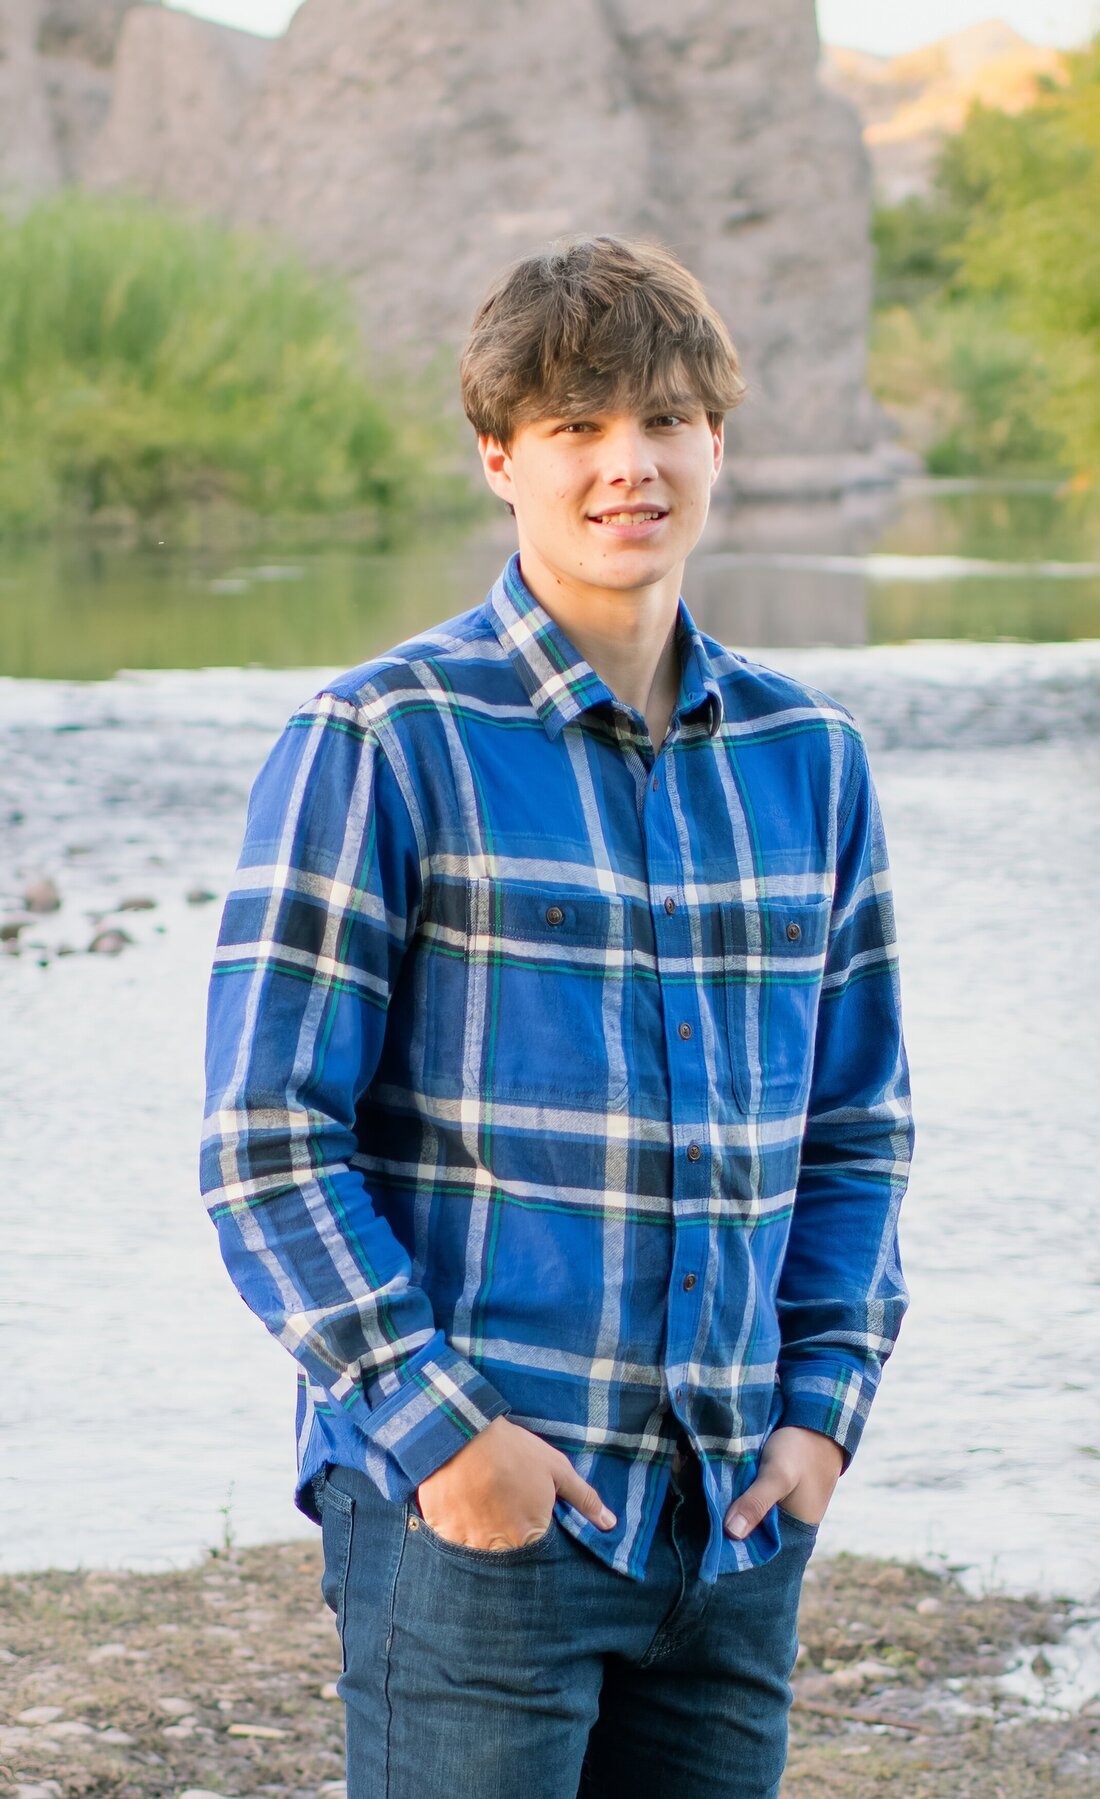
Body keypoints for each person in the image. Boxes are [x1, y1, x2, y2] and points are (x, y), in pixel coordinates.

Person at [200, 234, 912, 1799]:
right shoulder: (383, 739)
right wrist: (447, 1438)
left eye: (662, 420)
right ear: (498, 458)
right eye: (576, 429)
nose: (627, 466)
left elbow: (856, 1128)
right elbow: (267, 1140)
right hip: (478, 1532)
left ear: (716, 440)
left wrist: (823, 1414)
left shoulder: (812, 758)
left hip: (731, 1528)